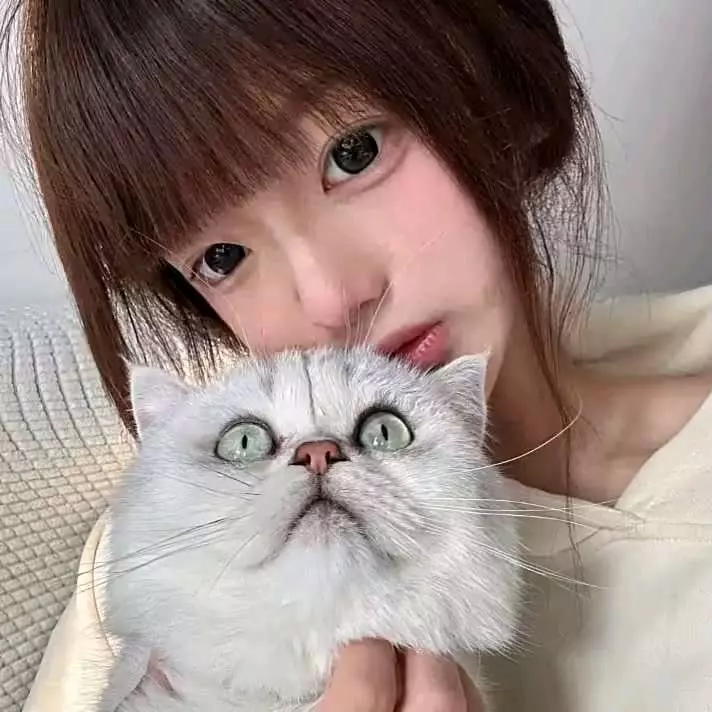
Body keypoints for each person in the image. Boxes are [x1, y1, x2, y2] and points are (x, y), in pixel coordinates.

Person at [5, 0, 712, 710]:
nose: (332, 298)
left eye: (355, 153)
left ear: (495, 80)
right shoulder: (168, 560)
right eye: (222, 258)